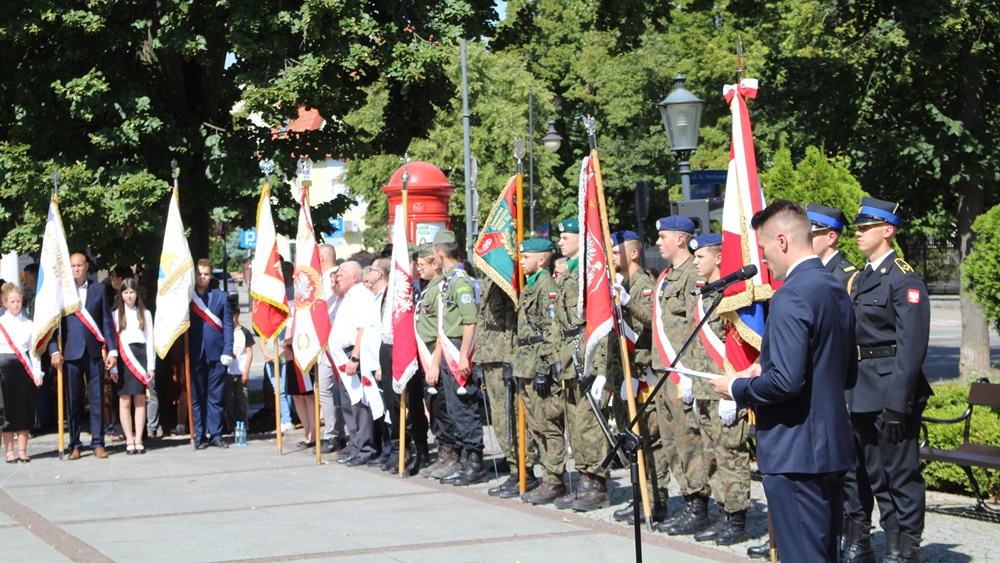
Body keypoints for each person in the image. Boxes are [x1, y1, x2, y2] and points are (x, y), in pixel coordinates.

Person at [710, 199, 857, 562]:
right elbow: (840, 367)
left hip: (796, 454)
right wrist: (766, 367)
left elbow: (787, 383)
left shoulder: (792, 294)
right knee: (823, 554)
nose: (763, 259)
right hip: (830, 447)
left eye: (763, 249)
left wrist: (737, 388)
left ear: (782, 241)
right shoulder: (833, 286)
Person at [843, 197, 931, 563]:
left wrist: (899, 403)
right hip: (863, 390)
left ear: (888, 231)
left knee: (902, 476)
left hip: (891, 391)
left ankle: (905, 552)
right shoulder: (862, 276)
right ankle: (889, 548)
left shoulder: (903, 277)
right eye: (859, 227)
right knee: (876, 476)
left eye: (866, 228)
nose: (859, 233)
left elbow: (910, 349)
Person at [683, 233, 752, 546]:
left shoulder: (733, 294)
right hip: (704, 388)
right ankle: (723, 512)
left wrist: (737, 391)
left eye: (701, 257)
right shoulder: (705, 294)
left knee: (730, 456)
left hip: (725, 390)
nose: (695, 261)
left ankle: (736, 521)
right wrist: (691, 382)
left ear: (719, 258)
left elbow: (741, 346)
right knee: (711, 455)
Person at [649, 217, 709, 535]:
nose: (657, 242)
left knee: (688, 442)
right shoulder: (665, 278)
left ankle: (698, 505)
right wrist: (629, 303)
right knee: (671, 442)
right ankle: (686, 500)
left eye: (663, 237)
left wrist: (688, 372)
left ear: (680, 240)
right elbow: (658, 321)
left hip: (680, 373)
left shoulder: (691, 276)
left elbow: (696, 327)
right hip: (663, 370)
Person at [551, 218, 612, 512]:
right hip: (569, 356)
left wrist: (598, 368)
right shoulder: (570, 274)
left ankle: (596, 483)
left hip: (585, 353)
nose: (561, 242)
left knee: (589, 425)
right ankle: (585, 478)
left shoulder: (589, 276)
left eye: (567, 237)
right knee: (576, 424)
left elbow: (599, 325)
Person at [608, 230, 669, 525]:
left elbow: (652, 321)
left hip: (642, 375)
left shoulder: (644, 283)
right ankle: (640, 497)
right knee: (631, 438)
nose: (611, 257)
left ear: (632, 253)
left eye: (615, 251)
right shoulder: (620, 283)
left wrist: (628, 299)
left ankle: (656, 500)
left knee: (648, 438)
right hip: (624, 374)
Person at [432, 230, 488, 486]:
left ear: (441, 253)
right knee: (454, 408)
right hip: (449, 347)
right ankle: (465, 460)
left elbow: (470, 320)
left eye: (434, 254)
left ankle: (475, 463)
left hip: (458, 349)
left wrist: (464, 355)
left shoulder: (460, 281)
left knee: (464, 408)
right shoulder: (449, 280)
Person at [50, 252, 118, 460]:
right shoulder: (62, 294)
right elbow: (53, 326)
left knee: (97, 399)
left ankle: (98, 443)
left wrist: (113, 350)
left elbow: (106, 322)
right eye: (72, 266)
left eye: (79, 265)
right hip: (70, 355)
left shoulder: (97, 290)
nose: (76, 269)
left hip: (94, 353)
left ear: (87, 266)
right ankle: (75, 444)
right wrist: (54, 350)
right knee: (74, 402)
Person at [510, 239, 558, 503]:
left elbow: (550, 331)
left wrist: (544, 368)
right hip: (525, 362)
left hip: (537, 362)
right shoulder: (530, 287)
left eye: (526, 256)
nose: (522, 261)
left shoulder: (546, 287)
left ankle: (554, 479)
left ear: (541, 260)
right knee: (535, 426)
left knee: (547, 424)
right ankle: (547, 476)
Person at [415, 245, 457, 479]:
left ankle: (450, 455)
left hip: (436, 355)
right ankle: (442, 452)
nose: (419, 268)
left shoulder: (441, 288)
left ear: (435, 264)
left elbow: (441, 330)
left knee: (441, 408)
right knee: (433, 406)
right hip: (426, 355)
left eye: (423, 264)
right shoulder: (428, 288)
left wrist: (434, 363)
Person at [331, 261, 377, 466]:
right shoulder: (348, 297)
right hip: (343, 357)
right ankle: (357, 447)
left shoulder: (360, 296)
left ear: (355, 277)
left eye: (341, 275)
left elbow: (362, 329)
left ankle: (365, 449)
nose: (337, 278)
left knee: (360, 403)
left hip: (352, 356)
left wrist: (355, 358)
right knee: (349, 404)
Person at [189, 258, 234, 449]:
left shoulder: (221, 297)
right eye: (199, 274)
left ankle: (215, 434)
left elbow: (228, 326)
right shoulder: (187, 297)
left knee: (215, 397)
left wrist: (228, 350)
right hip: (194, 352)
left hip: (217, 353)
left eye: (206, 274)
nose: (203, 277)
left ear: (211, 275)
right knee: (197, 397)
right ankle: (200, 435)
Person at [110, 279, 155, 454]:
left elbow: (150, 340)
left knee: (140, 399)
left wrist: (151, 366)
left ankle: (138, 439)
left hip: (140, 357)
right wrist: (113, 368)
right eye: (125, 292)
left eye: (132, 292)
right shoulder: (115, 315)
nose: (129, 296)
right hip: (123, 358)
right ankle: (128, 439)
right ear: (121, 295)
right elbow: (113, 342)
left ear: (137, 294)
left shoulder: (145, 314)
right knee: (124, 400)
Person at [0, 283, 44, 462]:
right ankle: (9, 451)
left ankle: (23, 450)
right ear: (4, 303)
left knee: (24, 410)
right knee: (8, 412)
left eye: (18, 301)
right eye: (12, 301)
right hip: (3, 369)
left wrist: (37, 372)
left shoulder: (29, 324)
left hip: (23, 369)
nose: (16, 304)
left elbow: (34, 351)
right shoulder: (1, 323)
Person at [317, 245, 346, 453]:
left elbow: (320, 304)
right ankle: (332, 433)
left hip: (338, 342)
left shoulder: (335, 277)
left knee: (342, 389)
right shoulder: (319, 280)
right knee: (326, 389)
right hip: (324, 342)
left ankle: (342, 434)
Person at [807, 202, 858, 286]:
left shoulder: (849, 277)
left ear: (831, 238)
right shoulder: (805, 268)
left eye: (811, 236)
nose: (805, 240)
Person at [224, 294, 254, 438]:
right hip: (228, 372)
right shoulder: (224, 332)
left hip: (240, 371)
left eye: (232, 316)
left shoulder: (244, 333)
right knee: (229, 401)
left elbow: (249, 353)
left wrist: (246, 371)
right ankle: (231, 426)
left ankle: (244, 426)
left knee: (242, 400)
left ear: (237, 315)